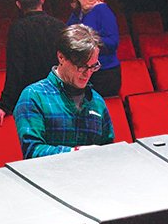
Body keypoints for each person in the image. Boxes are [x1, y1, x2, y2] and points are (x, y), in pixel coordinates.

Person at [14, 24, 114, 159]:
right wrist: (75, 153)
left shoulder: (96, 101)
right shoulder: (34, 96)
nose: (88, 73)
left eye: (93, 66)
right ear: (61, 57)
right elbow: (32, 151)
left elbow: (108, 149)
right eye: (81, 66)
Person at [0, 0, 65, 127]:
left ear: (18, 4)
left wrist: (4, 105)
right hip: (58, 97)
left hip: (33, 100)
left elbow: (16, 70)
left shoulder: (17, 29)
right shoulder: (60, 26)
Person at [66, 0, 121, 98]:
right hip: (83, 71)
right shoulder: (77, 11)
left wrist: (88, 42)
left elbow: (113, 42)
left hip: (103, 74)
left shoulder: (102, 11)